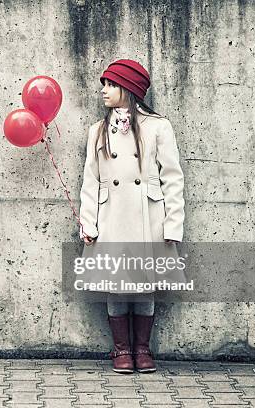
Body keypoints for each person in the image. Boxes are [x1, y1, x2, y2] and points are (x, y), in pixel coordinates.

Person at [78, 59, 185, 374]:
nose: (104, 90)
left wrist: (173, 223)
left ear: (129, 88)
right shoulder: (97, 130)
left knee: (144, 284)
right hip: (111, 214)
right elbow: (90, 179)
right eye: (104, 84)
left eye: (111, 84)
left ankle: (142, 349)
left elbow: (173, 178)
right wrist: (88, 222)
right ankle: (122, 349)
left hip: (148, 215)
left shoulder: (158, 127)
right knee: (115, 283)